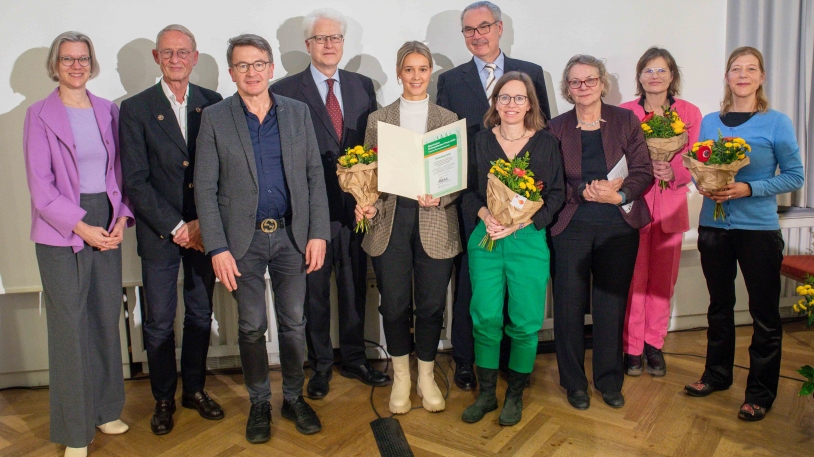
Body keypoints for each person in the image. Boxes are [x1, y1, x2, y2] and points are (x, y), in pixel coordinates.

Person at [194, 34, 330, 443]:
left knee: (293, 323)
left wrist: (318, 232)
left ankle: (292, 398)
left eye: (258, 64)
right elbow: (204, 187)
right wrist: (216, 246)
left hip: (292, 236)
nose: (251, 73)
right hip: (242, 242)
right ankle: (259, 403)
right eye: (242, 66)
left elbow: (313, 176)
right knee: (251, 327)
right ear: (231, 72)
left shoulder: (297, 113)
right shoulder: (216, 117)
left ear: (271, 69)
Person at [23, 31, 134, 457]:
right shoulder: (39, 114)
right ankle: (73, 432)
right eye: (67, 59)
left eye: (83, 58)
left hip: (107, 224)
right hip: (59, 230)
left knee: (107, 318)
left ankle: (106, 410)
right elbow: (41, 186)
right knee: (70, 329)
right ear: (55, 65)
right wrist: (82, 228)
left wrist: (122, 218)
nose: (76, 65)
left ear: (92, 63)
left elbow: (120, 172)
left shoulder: (108, 111)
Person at [271, 8, 390, 399]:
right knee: (315, 292)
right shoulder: (286, 90)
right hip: (309, 213)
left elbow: (371, 146)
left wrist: (368, 197)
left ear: (343, 43)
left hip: (356, 208)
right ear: (308, 45)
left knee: (356, 288)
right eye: (321, 39)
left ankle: (354, 359)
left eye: (335, 38)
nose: (329, 45)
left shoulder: (362, 85)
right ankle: (321, 364)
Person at [436, 0, 551, 391]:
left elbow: (543, 138)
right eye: (468, 30)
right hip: (476, 203)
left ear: (499, 28)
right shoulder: (450, 81)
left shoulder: (532, 74)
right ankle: (468, 363)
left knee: (520, 297)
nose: (477, 35)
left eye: (483, 27)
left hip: (524, 212)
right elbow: (447, 145)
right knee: (475, 291)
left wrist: (524, 209)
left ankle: (511, 366)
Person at [684, 46, 804, 422]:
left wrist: (749, 189)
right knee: (719, 307)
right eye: (736, 68)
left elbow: (795, 175)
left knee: (764, 313)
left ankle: (760, 393)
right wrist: (702, 183)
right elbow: (696, 167)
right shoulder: (709, 121)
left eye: (751, 69)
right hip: (714, 226)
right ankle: (717, 376)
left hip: (758, 230)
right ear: (727, 76)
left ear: (761, 77)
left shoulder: (776, 123)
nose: (742, 75)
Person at [120, 24, 224, 435]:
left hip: (205, 230)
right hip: (160, 232)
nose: (176, 59)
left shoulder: (213, 103)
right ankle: (163, 397)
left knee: (200, 313)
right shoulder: (136, 108)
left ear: (195, 57)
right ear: (156, 58)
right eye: (168, 53)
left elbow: (220, 171)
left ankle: (194, 390)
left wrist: (201, 224)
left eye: (183, 52)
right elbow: (136, 180)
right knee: (160, 321)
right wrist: (178, 225)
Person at [356, 41, 460, 414]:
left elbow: (457, 178)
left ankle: (427, 376)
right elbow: (367, 173)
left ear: (430, 72)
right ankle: (401, 377)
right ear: (399, 73)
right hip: (390, 221)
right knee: (395, 305)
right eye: (409, 69)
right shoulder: (378, 119)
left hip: (436, 219)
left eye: (422, 69)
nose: (416, 76)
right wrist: (363, 201)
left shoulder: (448, 119)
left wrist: (442, 196)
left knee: (431, 305)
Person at [548, 55, 652, 411]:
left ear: (602, 83)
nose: (583, 87)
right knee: (568, 307)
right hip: (570, 225)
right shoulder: (556, 127)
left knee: (610, 306)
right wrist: (583, 192)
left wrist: (619, 194)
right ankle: (574, 383)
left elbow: (643, 170)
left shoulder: (625, 120)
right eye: (575, 82)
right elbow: (549, 179)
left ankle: (609, 381)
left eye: (590, 80)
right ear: (567, 88)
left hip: (617, 227)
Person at [461, 72, 564, 425]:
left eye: (519, 98)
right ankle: (488, 395)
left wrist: (522, 222)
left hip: (528, 240)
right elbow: (468, 191)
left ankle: (515, 396)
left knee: (525, 323)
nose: (511, 105)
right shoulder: (479, 141)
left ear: (530, 104)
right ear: (495, 103)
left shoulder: (546, 143)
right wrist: (485, 213)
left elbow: (556, 195)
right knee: (486, 319)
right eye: (504, 98)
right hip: (486, 239)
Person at [619, 47, 702, 377]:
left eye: (661, 70)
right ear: (639, 77)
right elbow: (616, 156)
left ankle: (654, 345)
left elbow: (697, 157)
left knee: (662, 283)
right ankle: (631, 348)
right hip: (633, 207)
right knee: (634, 280)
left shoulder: (689, 112)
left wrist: (675, 172)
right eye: (648, 71)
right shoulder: (625, 112)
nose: (654, 76)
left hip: (670, 207)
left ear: (672, 76)